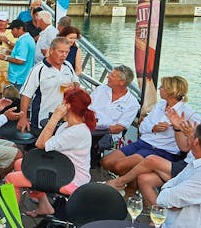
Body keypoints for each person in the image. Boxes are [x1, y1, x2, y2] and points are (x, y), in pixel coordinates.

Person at [110, 95, 201, 207]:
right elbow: (185, 148)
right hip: (187, 166)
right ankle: (159, 217)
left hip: (199, 175)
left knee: (151, 159)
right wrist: (178, 128)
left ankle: (119, 183)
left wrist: (191, 136)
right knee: (144, 179)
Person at [7, 89, 96, 217]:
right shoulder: (66, 126)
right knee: (20, 163)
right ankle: (44, 205)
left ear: (67, 106)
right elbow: (44, 143)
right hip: (63, 169)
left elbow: (40, 144)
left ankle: (11, 220)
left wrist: (55, 117)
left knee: (11, 179)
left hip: (71, 179)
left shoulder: (76, 132)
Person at [101, 75, 199, 177]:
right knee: (106, 161)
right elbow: (142, 126)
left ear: (171, 91)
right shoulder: (160, 104)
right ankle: (132, 182)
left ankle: (130, 188)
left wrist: (181, 130)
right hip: (143, 143)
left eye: (162, 87)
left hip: (162, 151)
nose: (159, 88)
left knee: (119, 166)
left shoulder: (189, 114)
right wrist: (153, 128)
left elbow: (199, 135)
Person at [16, 37, 76, 133]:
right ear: (51, 50)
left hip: (63, 119)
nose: (64, 55)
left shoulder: (68, 66)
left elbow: (76, 84)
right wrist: (22, 118)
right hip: (42, 120)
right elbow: (26, 95)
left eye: (66, 52)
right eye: (61, 52)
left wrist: (73, 87)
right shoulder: (38, 69)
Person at [89, 65, 140, 146]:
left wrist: (95, 128)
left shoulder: (132, 103)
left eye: (112, 75)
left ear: (122, 82)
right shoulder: (100, 89)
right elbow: (86, 108)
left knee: (81, 140)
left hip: (107, 135)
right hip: (88, 127)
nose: (107, 76)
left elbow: (118, 129)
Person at [0, 19, 34, 88]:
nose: (11, 32)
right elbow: (23, 55)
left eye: (13, 29)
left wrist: (5, 58)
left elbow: (21, 60)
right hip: (23, 76)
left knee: (15, 98)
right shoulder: (28, 38)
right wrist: (11, 52)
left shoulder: (23, 41)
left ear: (20, 29)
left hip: (18, 78)